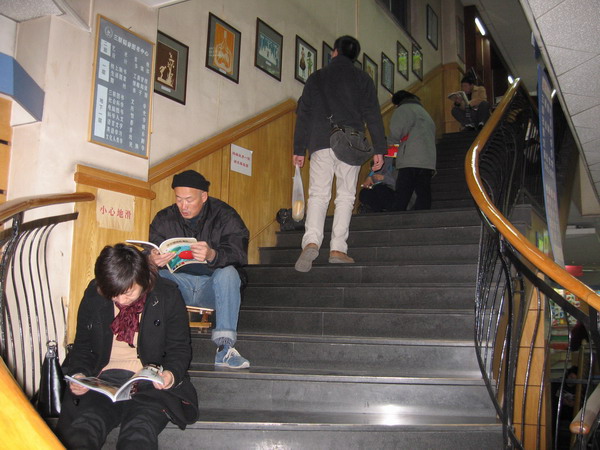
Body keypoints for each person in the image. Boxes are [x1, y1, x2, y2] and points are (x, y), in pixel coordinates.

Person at [57, 244, 198, 449]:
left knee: (138, 432)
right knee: (84, 428)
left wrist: (171, 374)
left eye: (128, 293)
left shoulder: (166, 295)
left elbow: (179, 348)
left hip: (149, 382)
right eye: (113, 294)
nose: (121, 300)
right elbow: (82, 345)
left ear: (143, 280)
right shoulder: (94, 294)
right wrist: (79, 374)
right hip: (102, 380)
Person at [293, 35, 387, 272]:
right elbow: (373, 114)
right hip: (350, 144)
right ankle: (337, 249)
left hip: (320, 142)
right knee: (345, 196)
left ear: (334, 52)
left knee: (318, 194)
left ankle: (311, 241)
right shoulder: (363, 78)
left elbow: (303, 113)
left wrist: (299, 149)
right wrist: (379, 148)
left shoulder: (317, 77)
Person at [149, 170, 250, 369]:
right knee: (152, 275)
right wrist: (151, 259)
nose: (183, 206)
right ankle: (154, 352)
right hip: (178, 286)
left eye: (189, 200)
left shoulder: (224, 215)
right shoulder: (164, 218)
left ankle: (225, 348)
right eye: (178, 199)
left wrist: (213, 255)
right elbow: (150, 249)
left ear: (203, 196)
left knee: (229, 274)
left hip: (211, 287)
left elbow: (239, 253)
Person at [388, 90, 436, 211]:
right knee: (423, 193)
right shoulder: (424, 112)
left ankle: (395, 219)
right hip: (428, 159)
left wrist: (387, 144)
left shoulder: (402, 110)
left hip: (410, 157)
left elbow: (395, 133)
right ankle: (423, 218)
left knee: (402, 192)